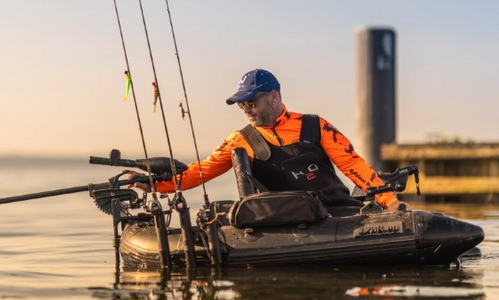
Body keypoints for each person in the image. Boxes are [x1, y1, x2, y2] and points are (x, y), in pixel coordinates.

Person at [131, 68, 408, 213]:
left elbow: (353, 165)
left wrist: (389, 201)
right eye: (242, 105)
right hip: (283, 222)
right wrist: (158, 184)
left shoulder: (315, 125)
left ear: (273, 98)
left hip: (337, 213)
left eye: (251, 102)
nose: (247, 109)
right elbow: (199, 172)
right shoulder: (239, 140)